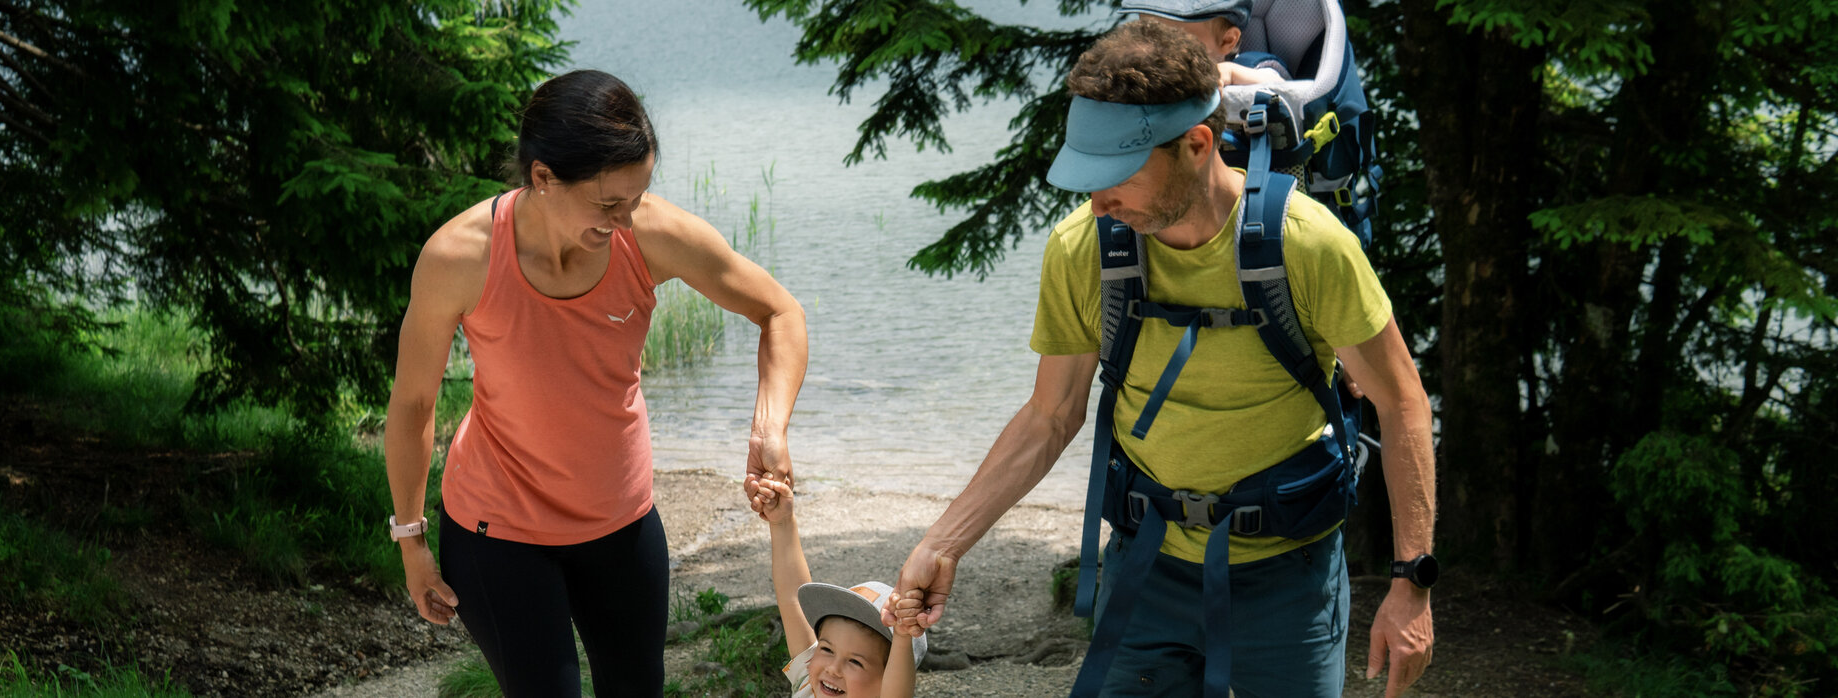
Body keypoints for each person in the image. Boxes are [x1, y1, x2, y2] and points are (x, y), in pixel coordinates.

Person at [883, 21, 1436, 698]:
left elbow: (1401, 399)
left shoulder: (1307, 247)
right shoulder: (1085, 249)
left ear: (1196, 144)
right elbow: (1050, 417)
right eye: (1085, 177)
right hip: (1147, 570)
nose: (1095, 200)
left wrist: (1412, 582)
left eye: (1114, 176)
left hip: (1288, 575)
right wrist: (944, 543)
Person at [380, 69, 808, 698]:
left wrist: (768, 428)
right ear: (543, 178)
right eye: (609, 204)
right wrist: (411, 540)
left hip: (621, 524)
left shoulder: (652, 235)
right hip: (498, 535)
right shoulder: (460, 257)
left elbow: (779, 313)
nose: (628, 220)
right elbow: (414, 403)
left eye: (636, 197)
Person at [748, 477, 923, 697]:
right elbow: (793, 597)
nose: (833, 668)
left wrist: (903, 636)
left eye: (855, 662)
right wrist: (782, 522)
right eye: (827, 649)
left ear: (887, 679)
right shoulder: (807, 686)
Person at [1121, 0, 1292, 85]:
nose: (1158, 49)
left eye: (1177, 40)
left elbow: (1281, 88)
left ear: (1227, 40)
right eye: (1148, 34)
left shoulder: (1244, 69)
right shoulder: (1139, 75)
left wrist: (1231, 74)